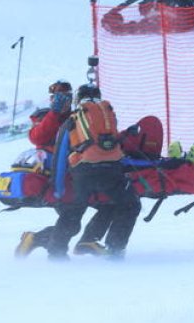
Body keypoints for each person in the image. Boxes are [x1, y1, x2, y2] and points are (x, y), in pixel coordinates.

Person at [15, 80, 113, 258]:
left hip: (79, 175)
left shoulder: (80, 116)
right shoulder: (45, 117)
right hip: (57, 179)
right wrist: (55, 113)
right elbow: (37, 137)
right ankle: (56, 252)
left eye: (67, 97)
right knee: (71, 220)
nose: (63, 101)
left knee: (81, 217)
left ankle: (39, 240)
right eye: (58, 97)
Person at [46, 82, 141, 260]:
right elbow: (113, 144)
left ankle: (56, 252)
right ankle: (115, 249)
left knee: (74, 210)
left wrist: (57, 187)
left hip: (83, 172)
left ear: (78, 99)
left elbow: (59, 157)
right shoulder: (107, 116)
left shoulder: (72, 120)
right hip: (111, 171)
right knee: (130, 204)